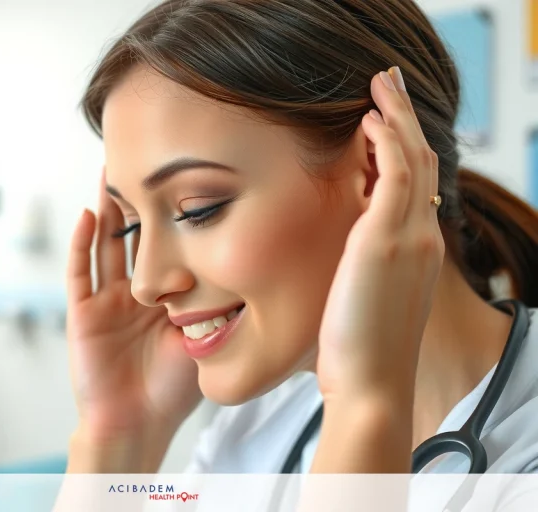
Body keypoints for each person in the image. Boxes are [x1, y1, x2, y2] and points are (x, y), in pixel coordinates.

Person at [63, 0, 538, 484]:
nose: (145, 283)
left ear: (377, 169)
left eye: (197, 209)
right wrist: (114, 439)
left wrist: (365, 410)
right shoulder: (258, 428)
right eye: (132, 225)